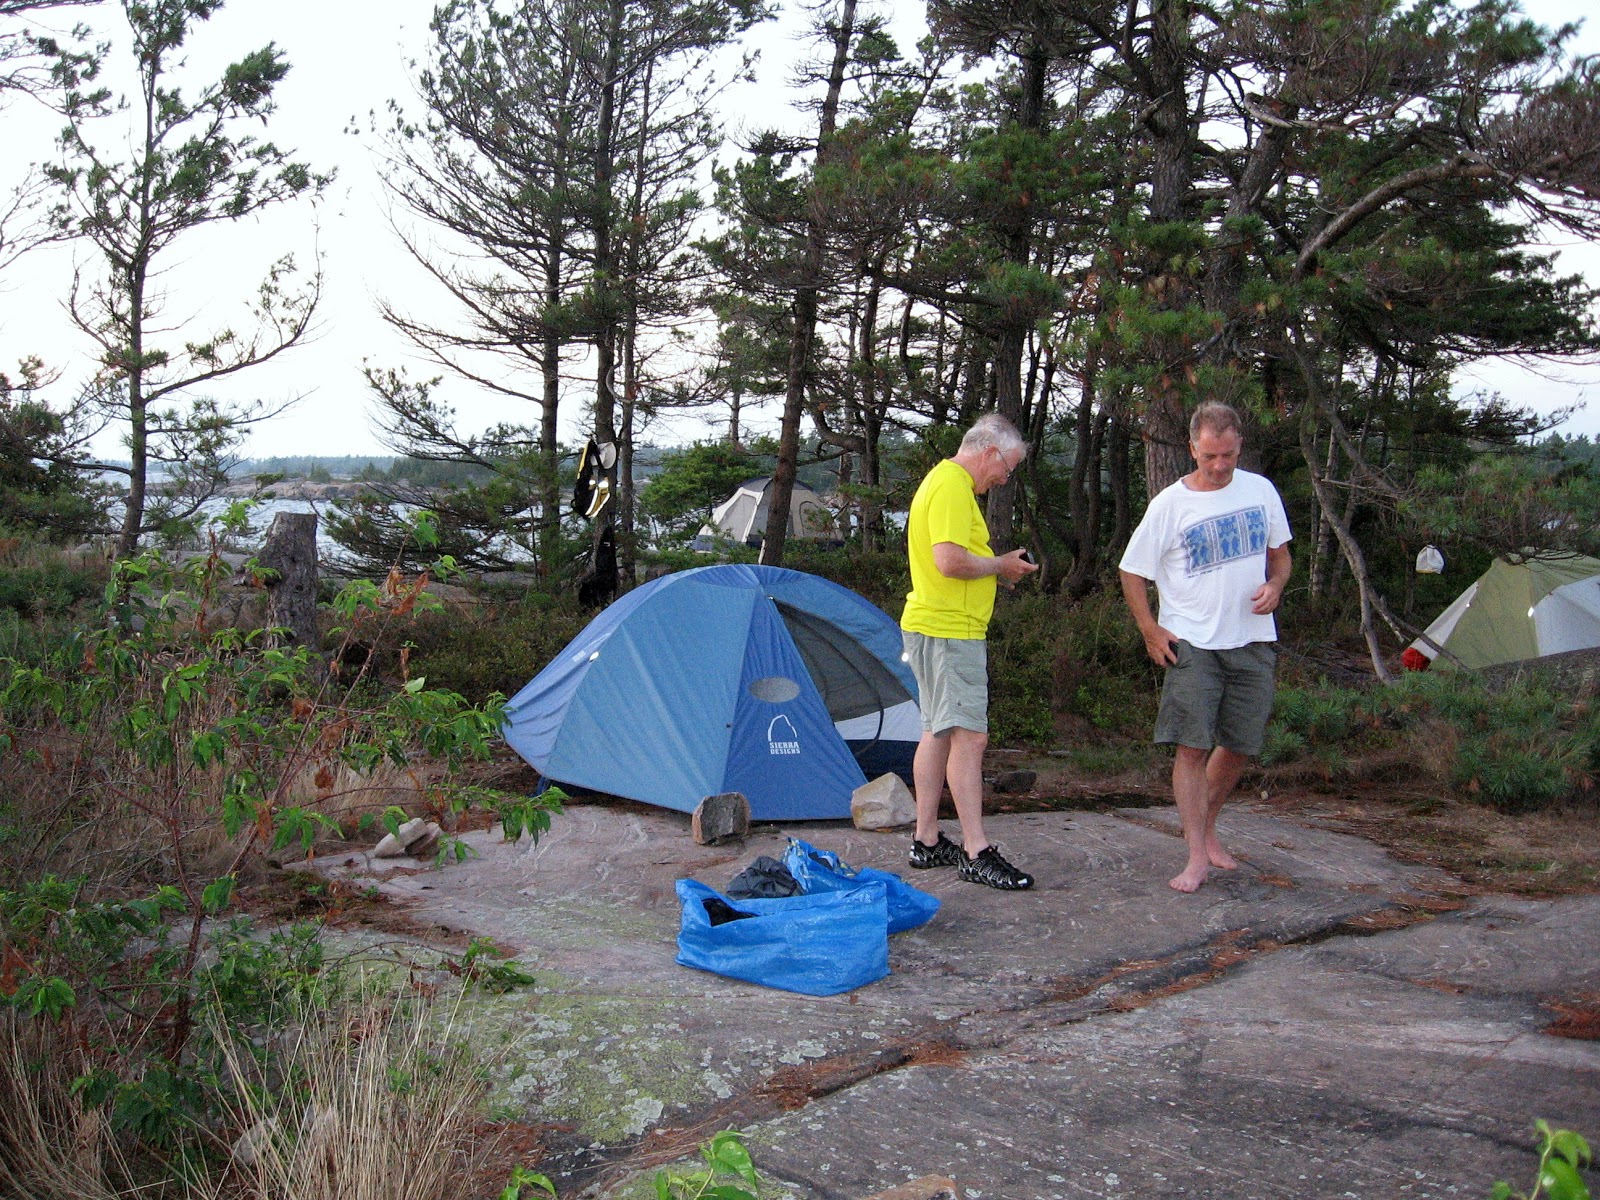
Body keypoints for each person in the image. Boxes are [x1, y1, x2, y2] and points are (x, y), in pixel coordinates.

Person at [1118, 401, 1292, 893]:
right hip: (1192, 640)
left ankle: (1208, 828)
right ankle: (1195, 855)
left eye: (1229, 456)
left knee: (1239, 744)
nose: (1219, 467)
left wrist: (1276, 586)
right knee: (1192, 746)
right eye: (1210, 456)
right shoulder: (1171, 505)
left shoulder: (1260, 492)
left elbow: (1281, 559)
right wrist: (1150, 630)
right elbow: (1132, 571)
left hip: (1252, 638)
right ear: (1192, 448)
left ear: (1239, 447)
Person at [901, 412, 1040, 890]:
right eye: (1008, 466)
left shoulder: (943, 483)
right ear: (989, 452)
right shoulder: (953, 486)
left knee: (937, 731)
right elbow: (949, 561)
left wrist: (997, 571)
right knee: (969, 737)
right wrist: (1000, 563)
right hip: (949, 631)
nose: (1006, 477)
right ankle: (975, 850)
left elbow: (952, 560)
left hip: (934, 626)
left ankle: (926, 838)